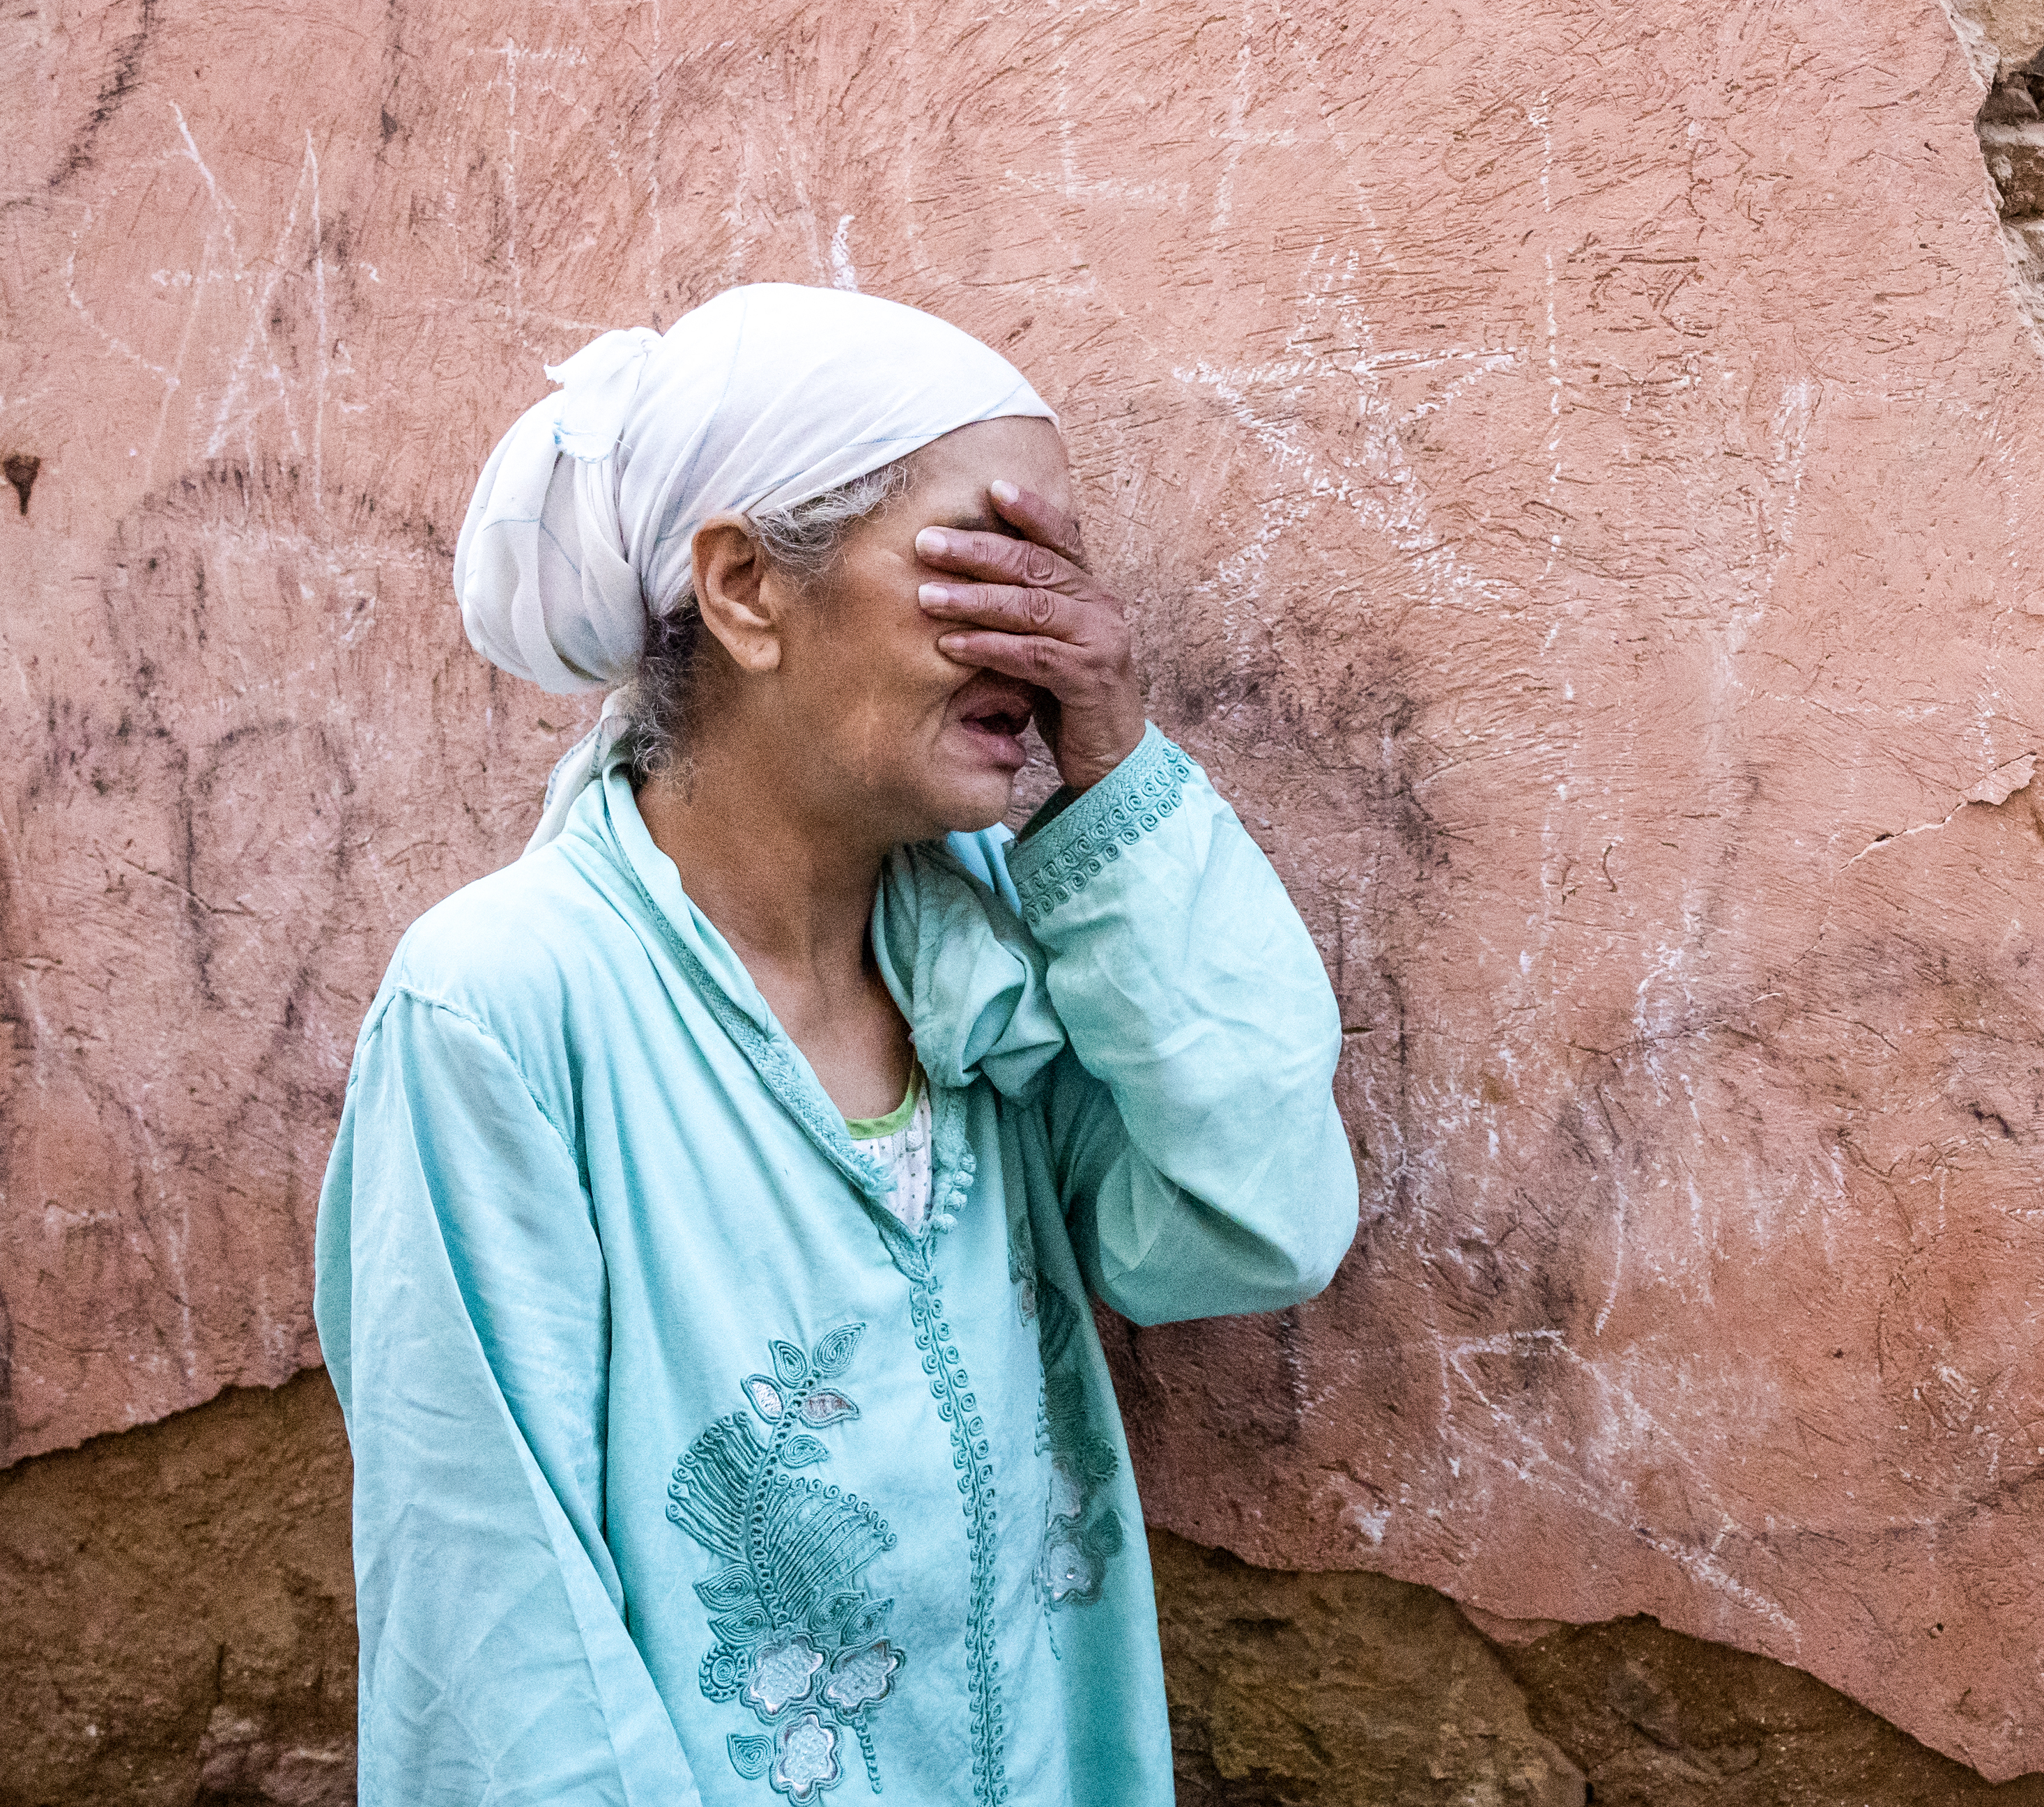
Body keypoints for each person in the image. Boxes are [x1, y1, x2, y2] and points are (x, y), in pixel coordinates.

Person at [313, 284, 1357, 1805]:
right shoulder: (502, 1007)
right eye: (987, 565)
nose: (1051, 637)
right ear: (743, 586)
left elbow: (1251, 1215)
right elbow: (501, 1638)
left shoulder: (988, 970)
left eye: (1066, 574)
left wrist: (1116, 776)